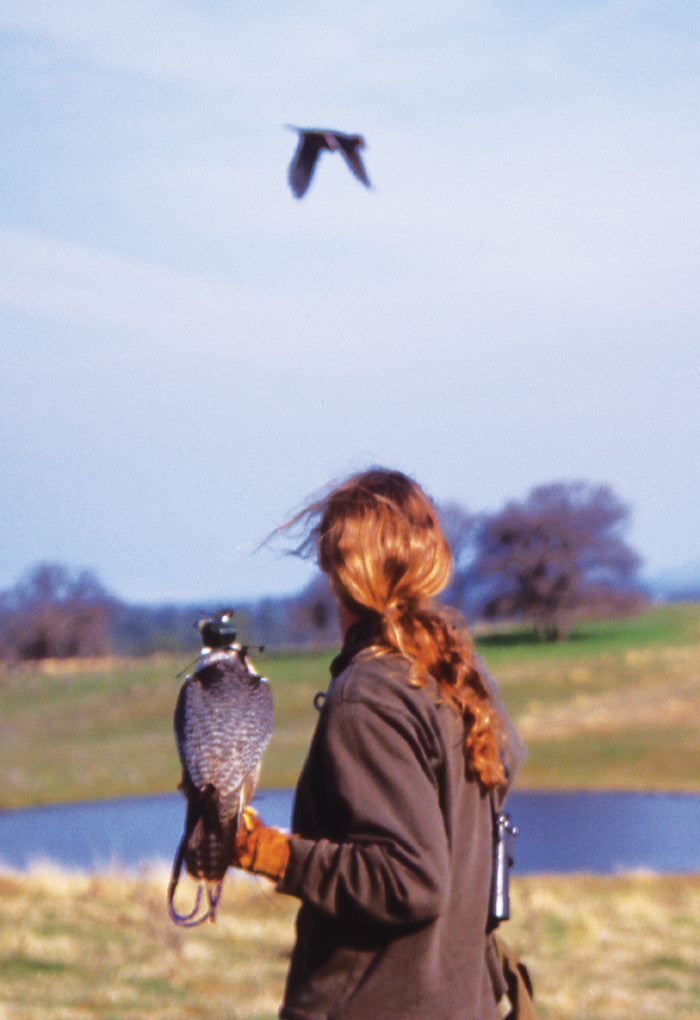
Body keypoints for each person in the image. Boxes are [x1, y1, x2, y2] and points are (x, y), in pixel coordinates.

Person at [231, 468, 528, 1019]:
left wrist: (271, 853)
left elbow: (411, 878)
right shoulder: (453, 673)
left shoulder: (368, 696)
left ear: (341, 573)